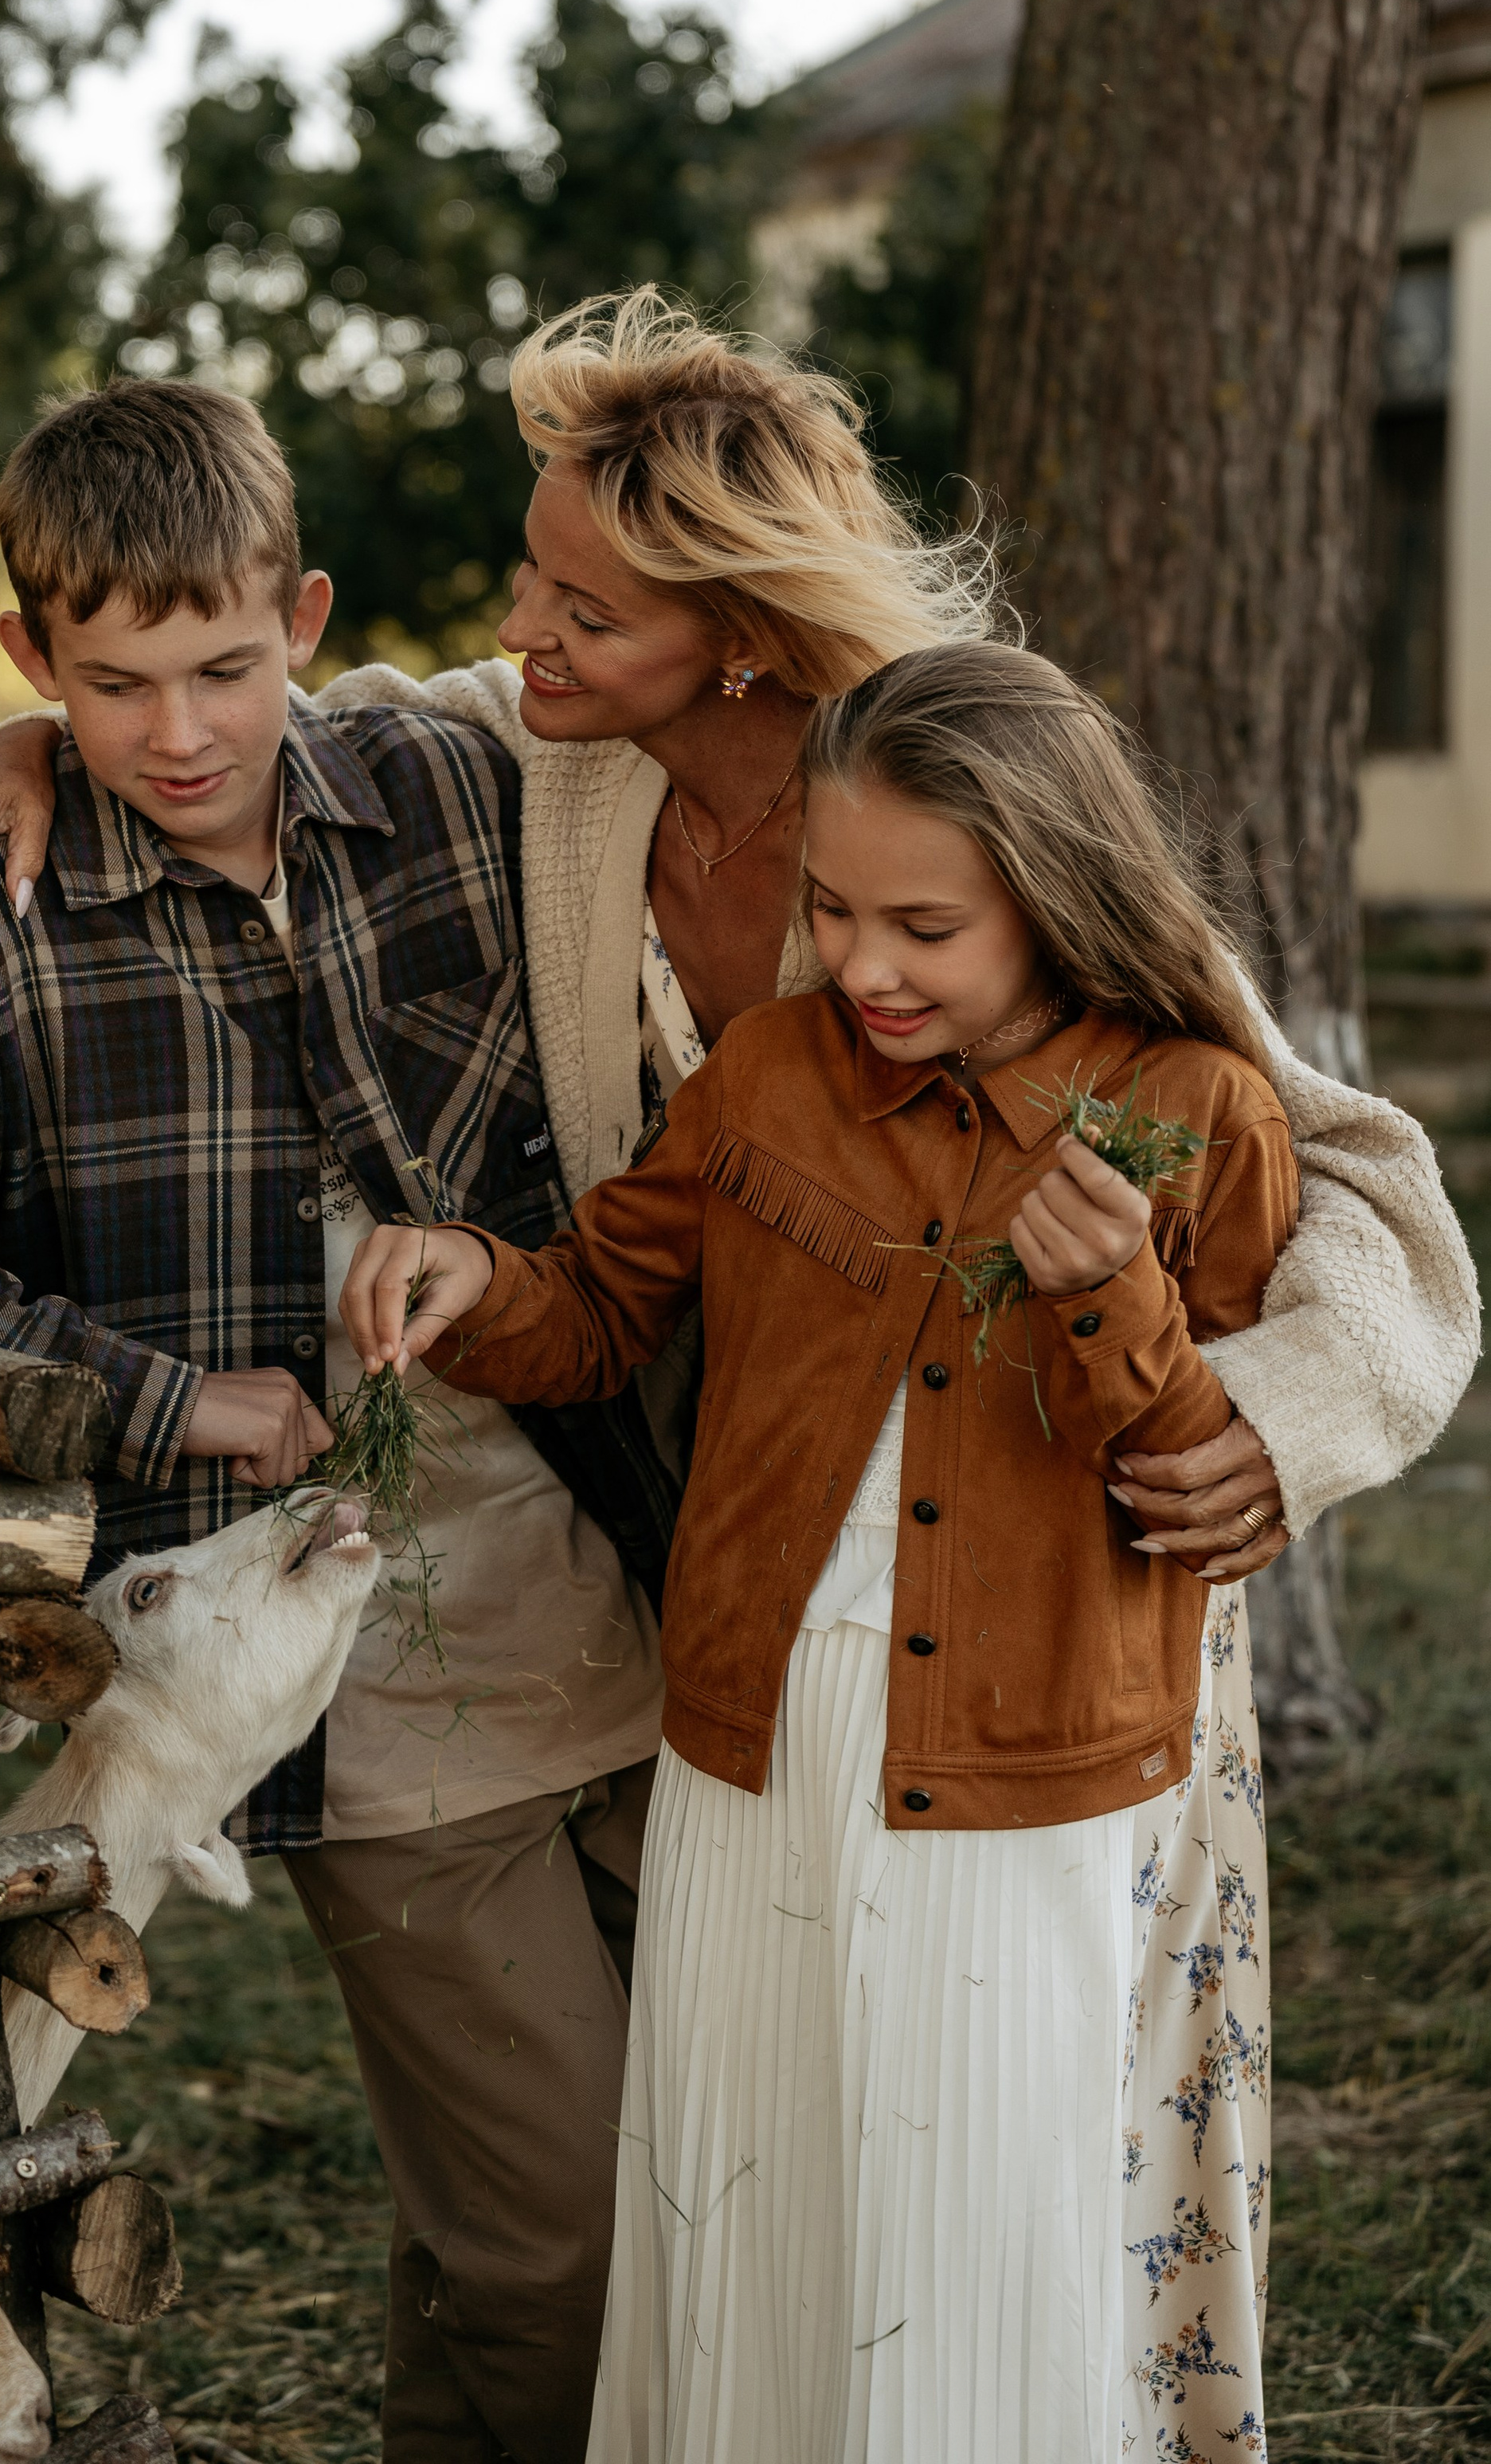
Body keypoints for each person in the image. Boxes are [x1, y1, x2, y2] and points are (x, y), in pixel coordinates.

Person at [0, 292, 1477, 2441]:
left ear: (732, 625)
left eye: (578, 598)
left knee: (935, 2160)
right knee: (658, 2190)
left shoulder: (947, 790)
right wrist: (31, 753)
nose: (521, 623)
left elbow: (1301, 1145)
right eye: (531, 575)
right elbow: (253, 701)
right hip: (713, 1594)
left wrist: (1274, 1427)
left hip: (1011, 1607)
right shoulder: (540, 764)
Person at [0, 374, 688, 2464]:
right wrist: (167, 1399)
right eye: (107, 685)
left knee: (565, 2212)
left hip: (634, 1578)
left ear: (309, 614)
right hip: (356, 1681)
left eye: (228, 668)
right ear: (27, 660)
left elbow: (697, 682)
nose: (178, 734)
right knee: (565, 2240)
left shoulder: (452, 787)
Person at [335, 640, 1311, 2457]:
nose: (859, 965)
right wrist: (475, 1279)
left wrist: (1117, 1308)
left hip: (1032, 1778)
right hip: (757, 1746)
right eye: (832, 909)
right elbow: (600, 1307)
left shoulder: (1201, 1115)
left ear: (1054, 893)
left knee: (976, 2230)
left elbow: (1197, 1493)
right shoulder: (765, 1075)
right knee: (760, 2210)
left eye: (920, 928)